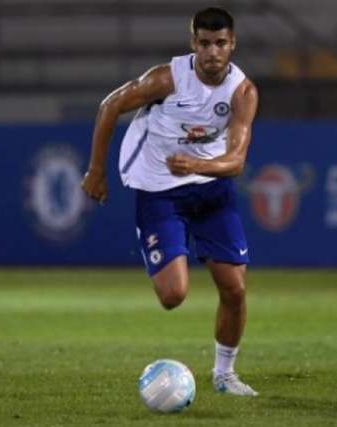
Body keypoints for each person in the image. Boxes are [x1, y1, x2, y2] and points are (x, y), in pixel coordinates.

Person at [80, 7, 258, 396]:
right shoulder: (167, 78)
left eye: (221, 43)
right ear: (194, 43)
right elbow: (110, 105)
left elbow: (237, 162)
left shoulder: (242, 92)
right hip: (160, 189)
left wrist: (195, 164)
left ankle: (225, 375)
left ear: (233, 44)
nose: (213, 52)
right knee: (173, 296)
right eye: (205, 43)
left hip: (211, 188)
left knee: (235, 289)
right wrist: (96, 170)